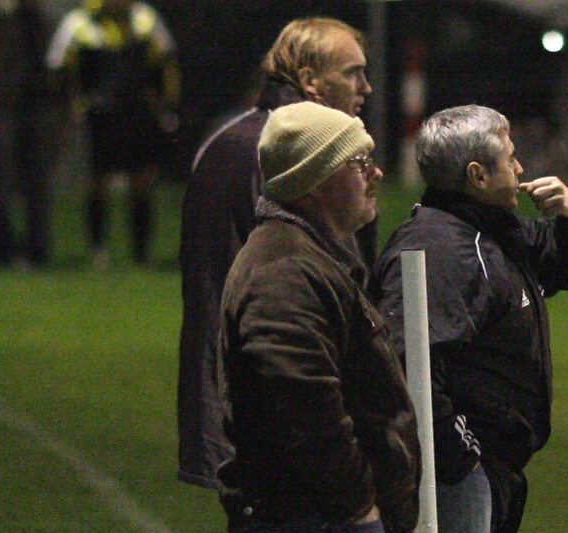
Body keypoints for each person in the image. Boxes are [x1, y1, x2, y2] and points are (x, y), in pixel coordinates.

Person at [369, 104, 568, 532]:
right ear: (478, 175)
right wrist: (464, 456)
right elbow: (406, 366)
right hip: (455, 474)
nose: (520, 170)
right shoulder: (444, 250)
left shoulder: (491, 233)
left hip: (484, 465)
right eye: (511, 159)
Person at [178, 17, 375, 489]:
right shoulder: (295, 151)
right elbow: (316, 276)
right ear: (310, 80)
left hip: (239, 391)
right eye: (352, 72)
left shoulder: (232, 139)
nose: (366, 87)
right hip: (284, 396)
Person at [216, 101, 420, 533]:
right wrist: (358, 507)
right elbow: (302, 404)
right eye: (358, 162)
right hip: (314, 518)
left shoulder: (302, 254)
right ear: (312, 180)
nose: (376, 173)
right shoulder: (285, 270)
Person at [46, 0, 180, 267]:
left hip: (139, 113)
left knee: (142, 182)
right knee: (98, 183)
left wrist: (166, 108)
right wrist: (69, 109)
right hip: (99, 116)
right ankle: (98, 250)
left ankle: (141, 253)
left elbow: (165, 65)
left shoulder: (145, 19)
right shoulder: (79, 23)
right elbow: (58, 67)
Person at [0, 0, 50, 267]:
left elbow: (41, 65)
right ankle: (3, 248)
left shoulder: (30, 19)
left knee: (29, 183)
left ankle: (34, 248)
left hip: (24, 109)